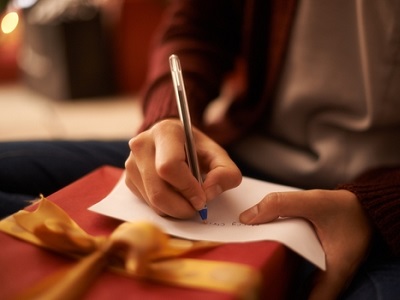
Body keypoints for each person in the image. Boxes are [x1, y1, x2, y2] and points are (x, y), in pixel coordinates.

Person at [124, 1, 400, 299]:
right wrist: (167, 117)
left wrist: (373, 208)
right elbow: (197, 26)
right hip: (237, 156)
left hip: (381, 203)